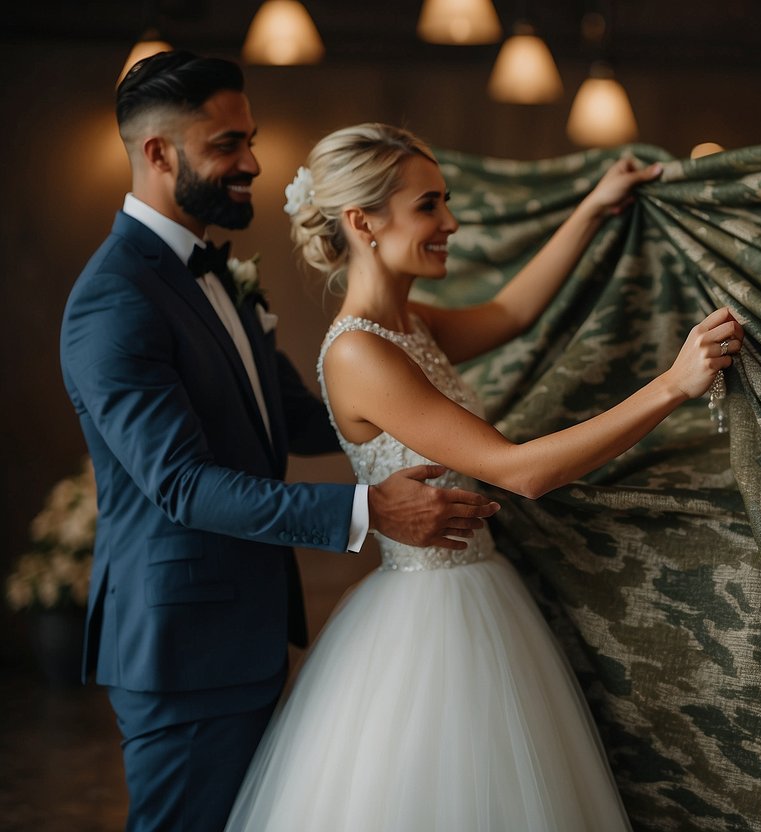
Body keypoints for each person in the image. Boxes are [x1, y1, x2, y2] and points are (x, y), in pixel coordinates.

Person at [223, 122, 743, 830]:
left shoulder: (407, 323)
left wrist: (593, 206)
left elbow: (512, 312)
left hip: (482, 592)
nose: (451, 222)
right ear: (362, 222)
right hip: (428, 623)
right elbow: (520, 472)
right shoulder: (358, 355)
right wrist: (672, 386)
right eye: (428, 206)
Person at [58, 54, 499, 832]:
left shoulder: (221, 276)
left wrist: (399, 387)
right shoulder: (113, 301)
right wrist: (370, 510)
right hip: (181, 645)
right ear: (159, 154)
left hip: (249, 632)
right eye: (227, 144)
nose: (254, 163)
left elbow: (300, 418)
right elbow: (185, 485)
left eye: (251, 140)